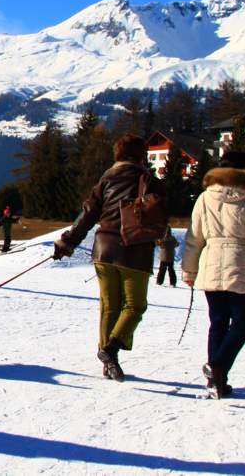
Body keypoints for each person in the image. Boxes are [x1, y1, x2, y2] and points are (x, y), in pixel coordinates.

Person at [51, 134, 165, 382]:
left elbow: (88, 214)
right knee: (135, 305)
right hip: (134, 251)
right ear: (140, 155)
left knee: (109, 307)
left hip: (103, 249)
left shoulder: (106, 178)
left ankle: (108, 364)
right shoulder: (148, 180)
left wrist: (67, 242)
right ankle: (110, 351)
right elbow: (161, 215)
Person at [181, 150, 245, 399]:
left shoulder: (204, 197)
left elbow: (194, 238)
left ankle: (217, 381)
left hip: (211, 262)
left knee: (218, 322)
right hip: (242, 266)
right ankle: (218, 367)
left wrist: (189, 270)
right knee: (242, 323)